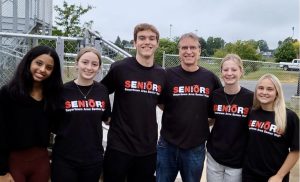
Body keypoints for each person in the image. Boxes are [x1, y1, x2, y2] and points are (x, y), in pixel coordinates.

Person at [101, 23, 166, 182]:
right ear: (135, 42)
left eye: (152, 38)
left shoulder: (161, 74)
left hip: (147, 146)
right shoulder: (120, 68)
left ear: (157, 43)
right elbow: (101, 90)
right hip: (119, 145)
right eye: (142, 38)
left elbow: (164, 103)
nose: (147, 42)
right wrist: (106, 114)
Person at [156, 32, 222, 182]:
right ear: (179, 51)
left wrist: (201, 122)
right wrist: (179, 113)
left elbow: (216, 110)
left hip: (195, 147)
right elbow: (160, 102)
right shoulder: (167, 75)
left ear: (199, 51)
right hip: (167, 145)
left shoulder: (210, 78)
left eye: (193, 47)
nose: (188, 51)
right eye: (184, 47)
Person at [0, 45, 63, 182]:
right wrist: (2, 171)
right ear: (29, 62)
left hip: (41, 162)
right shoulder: (8, 93)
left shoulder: (53, 98)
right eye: (39, 63)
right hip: (14, 162)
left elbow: (59, 127)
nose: (42, 70)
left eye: (49, 67)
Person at [51, 47, 111, 182]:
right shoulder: (62, 91)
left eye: (94, 64)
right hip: (65, 158)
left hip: (93, 158)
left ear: (99, 68)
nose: (89, 67)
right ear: (76, 64)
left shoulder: (102, 91)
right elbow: (53, 124)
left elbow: (106, 118)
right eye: (85, 62)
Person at [242, 73, 299, 182]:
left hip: (274, 177)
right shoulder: (252, 113)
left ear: (277, 92)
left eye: (269, 89)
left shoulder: (289, 117)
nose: (264, 92)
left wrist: (279, 176)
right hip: (250, 175)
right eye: (261, 88)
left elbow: (296, 151)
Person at [205, 54, 253, 182]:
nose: (229, 73)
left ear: (241, 71)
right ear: (221, 72)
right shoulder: (215, 95)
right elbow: (211, 119)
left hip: (237, 159)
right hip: (214, 156)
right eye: (225, 70)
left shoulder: (250, 98)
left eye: (234, 69)